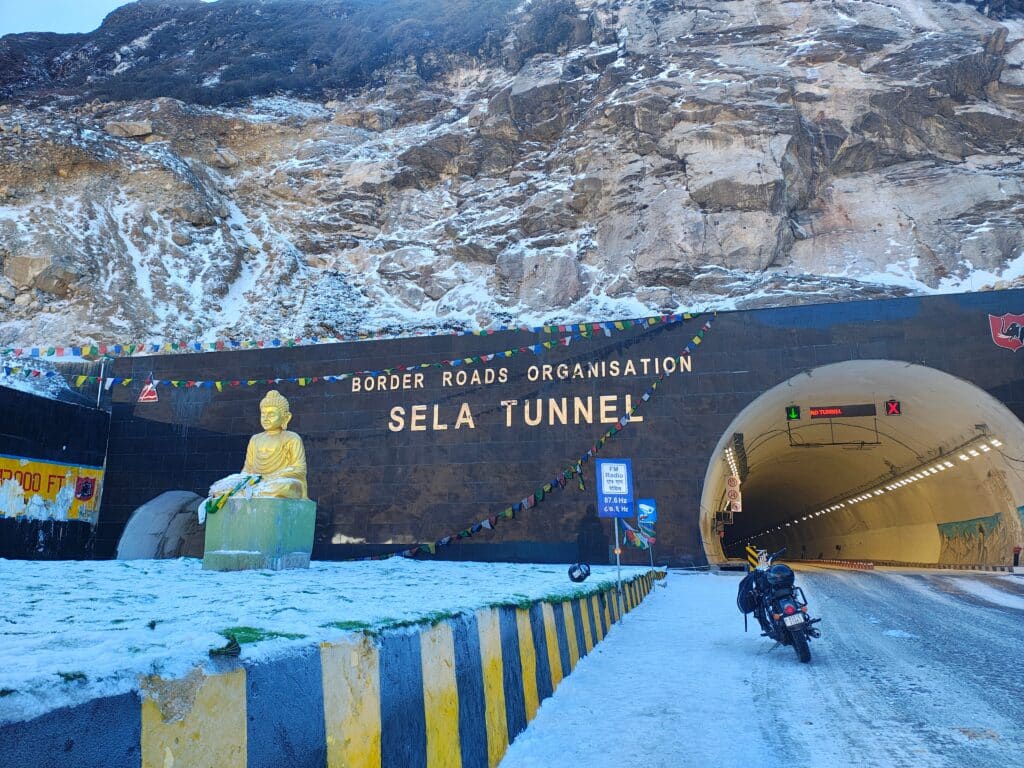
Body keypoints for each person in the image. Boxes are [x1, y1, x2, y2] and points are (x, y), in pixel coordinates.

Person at [206, 389, 308, 500]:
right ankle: (249, 493)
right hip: (256, 481)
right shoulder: (255, 439)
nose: (266, 418)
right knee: (221, 487)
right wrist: (241, 480)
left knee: (285, 486)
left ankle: (248, 493)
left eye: (271, 414)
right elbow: (247, 469)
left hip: (278, 480)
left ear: (286, 417)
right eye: (263, 414)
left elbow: (299, 469)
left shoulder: (292, 438)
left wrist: (272, 477)